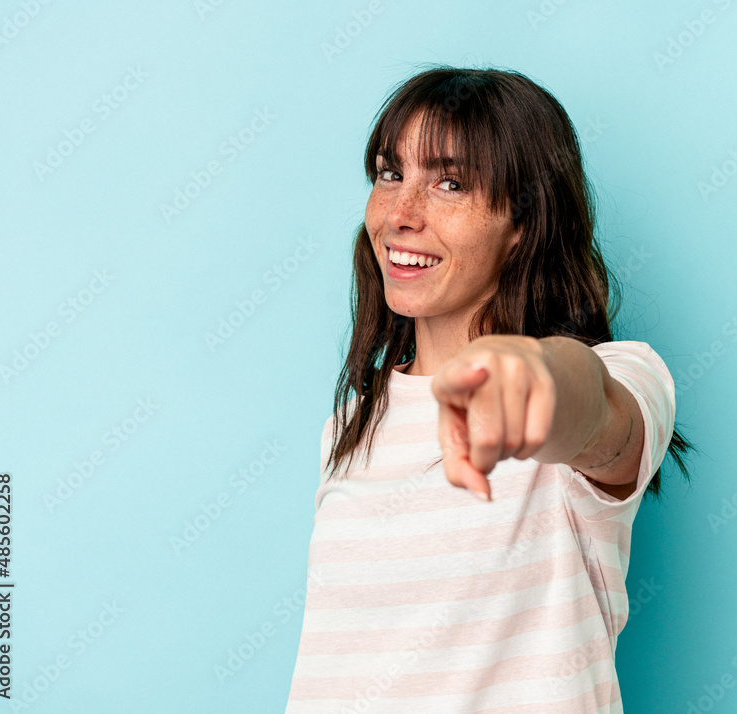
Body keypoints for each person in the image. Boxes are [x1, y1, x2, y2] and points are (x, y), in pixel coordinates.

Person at [285, 65, 694, 713]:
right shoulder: (353, 422)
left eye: (450, 183)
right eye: (390, 174)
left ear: (524, 221)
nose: (400, 215)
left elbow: (590, 408)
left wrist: (533, 376)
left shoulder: (622, 374)